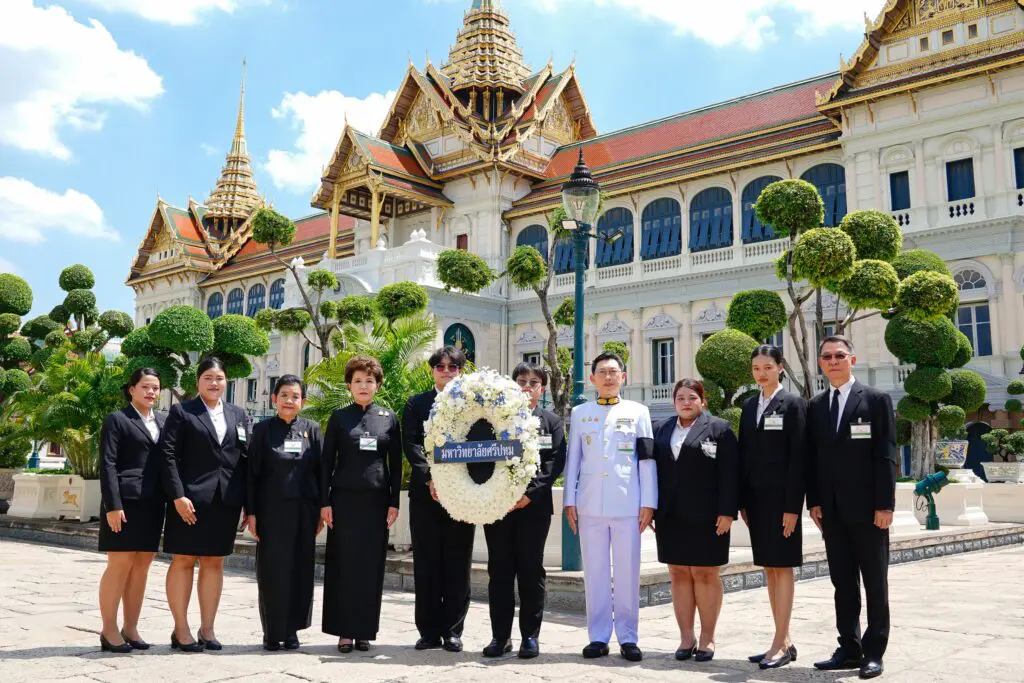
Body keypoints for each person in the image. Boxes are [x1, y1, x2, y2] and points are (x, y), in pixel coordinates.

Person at [807, 336, 897, 680]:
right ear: (820, 363)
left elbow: (885, 454)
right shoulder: (816, 406)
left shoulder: (875, 400)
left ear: (852, 359)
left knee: (875, 583)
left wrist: (884, 504)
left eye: (839, 355)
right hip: (831, 511)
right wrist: (814, 501)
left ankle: (874, 652)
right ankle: (849, 647)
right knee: (842, 583)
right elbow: (814, 458)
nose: (833, 361)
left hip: (868, 510)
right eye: (827, 356)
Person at [563, 351, 656, 662]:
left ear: (623, 377)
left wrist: (649, 501)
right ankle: (598, 636)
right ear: (591, 379)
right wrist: (569, 500)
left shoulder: (639, 412)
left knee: (628, 572)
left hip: (627, 503)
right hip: (590, 503)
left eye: (613, 372)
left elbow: (646, 460)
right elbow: (573, 459)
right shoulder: (581, 414)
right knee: (596, 573)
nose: (607, 377)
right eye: (601, 372)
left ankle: (629, 637)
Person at [159, 356, 250, 652]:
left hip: (225, 502)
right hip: (189, 502)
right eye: (208, 377)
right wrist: (177, 496)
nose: (214, 383)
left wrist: (248, 505)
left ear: (227, 381)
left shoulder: (239, 415)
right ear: (198, 381)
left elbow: (246, 461)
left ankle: (207, 629)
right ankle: (181, 629)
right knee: (184, 560)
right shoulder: (182, 412)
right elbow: (167, 456)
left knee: (214, 562)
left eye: (220, 378)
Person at [482, 363, 566, 659]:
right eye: (521, 381)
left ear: (542, 388)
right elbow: (482, 457)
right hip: (498, 507)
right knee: (500, 572)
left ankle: (530, 636)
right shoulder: (494, 418)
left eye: (534, 382)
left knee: (531, 571)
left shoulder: (551, 421)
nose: (527, 386)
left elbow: (556, 461)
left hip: (534, 508)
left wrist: (530, 494)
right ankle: (499, 637)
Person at [653, 378, 738, 663]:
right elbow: (653, 472)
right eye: (680, 398)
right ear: (674, 401)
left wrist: (727, 512)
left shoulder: (719, 429)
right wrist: (651, 509)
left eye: (692, 397)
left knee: (705, 573)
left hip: (709, 517)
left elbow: (730, 474)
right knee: (678, 573)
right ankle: (686, 636)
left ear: (703, 401)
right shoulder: (662, 429)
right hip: (670, 516)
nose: (686, 403)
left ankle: (707, 637)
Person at [320, 356, 402, 652]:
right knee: (342, 565)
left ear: (377, 385)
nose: (363, 386)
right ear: (349, 385)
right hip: (343, 503)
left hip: (376, 503)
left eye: (369, 381)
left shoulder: (389, 418)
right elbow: (326, 463)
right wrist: (324, 501)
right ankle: (343, 631)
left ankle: (364, 630)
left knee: (370, 567)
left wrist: (394, 502)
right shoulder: (339, 418)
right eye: (358, 381)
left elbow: (395, 465)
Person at [738, 346, 806, 669]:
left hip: (782, 502)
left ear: (780, 367)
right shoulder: (750, 406)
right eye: (756, 368)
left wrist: (793, 507)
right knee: (768, 568)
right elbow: (744, 457)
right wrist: (742, 502)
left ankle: (779, 643)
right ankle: (783, 639)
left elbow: (799, 459)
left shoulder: (793, 405)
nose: (761, 373)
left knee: (783, 567)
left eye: (767, 367)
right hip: (757, 501)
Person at [403, 345, 473, 652]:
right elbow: (411, 444)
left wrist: (458, 481)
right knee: (427, 563)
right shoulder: (416, 403)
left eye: (452, 367)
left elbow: (479, 445)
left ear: (461, 371)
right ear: (432, 370)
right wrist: (431, 477)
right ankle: (428, 631)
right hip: (426, 495)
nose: (446, 371)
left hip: (463, 495)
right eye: (440, 366)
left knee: (458, 564)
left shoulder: (474, 403)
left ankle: (453, 631)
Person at [245, 375, 323, 651]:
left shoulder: (312, 430)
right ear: (274, 399)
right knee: (272, 572)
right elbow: (252, 475)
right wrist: (251, 513)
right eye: (285, 395)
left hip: (305, 512)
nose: (290, 401)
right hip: (271, 513)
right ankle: (272, 631)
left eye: (296, 396)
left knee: (300, 570)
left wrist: (321, 511)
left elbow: (321, 474)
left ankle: (292, 630)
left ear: (303, 401)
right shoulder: (263, 430)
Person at [97, 367, 166, 653]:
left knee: (142, 566)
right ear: (132, 389)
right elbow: (108, 463)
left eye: (156, 388)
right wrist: (112, 505)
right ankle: (109, 629)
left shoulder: (163, 421)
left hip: (153, 503)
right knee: (120, 564)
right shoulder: (117, 419)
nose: (151, 392)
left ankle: (131, 627)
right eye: (146, 387)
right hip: (123, 503)